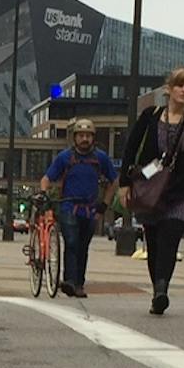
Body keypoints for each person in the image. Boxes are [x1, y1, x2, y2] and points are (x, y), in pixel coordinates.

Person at [118, 67, 184, 316]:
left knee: (170, 239)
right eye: (179, 85)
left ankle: (162, 289)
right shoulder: (151, 116)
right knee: (154, 242)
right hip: (150, 190)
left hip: (180, 193)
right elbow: (131, 148)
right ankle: (156, 289)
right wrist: (123, 183)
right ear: (169, 89)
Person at [39, 120, 118, 298]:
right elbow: (46, 178)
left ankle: (79, 283)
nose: (85, 139)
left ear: (93, 138)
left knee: (83, 247)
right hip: (69, 207)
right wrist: (44, 193)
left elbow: (115, 181)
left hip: (90, 209)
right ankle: (69, 281)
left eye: (88, 136)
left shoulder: (101, 158)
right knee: (72, 242)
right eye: (81, 136)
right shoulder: (65, 157)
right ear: (75, 138)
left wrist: (104, 204)